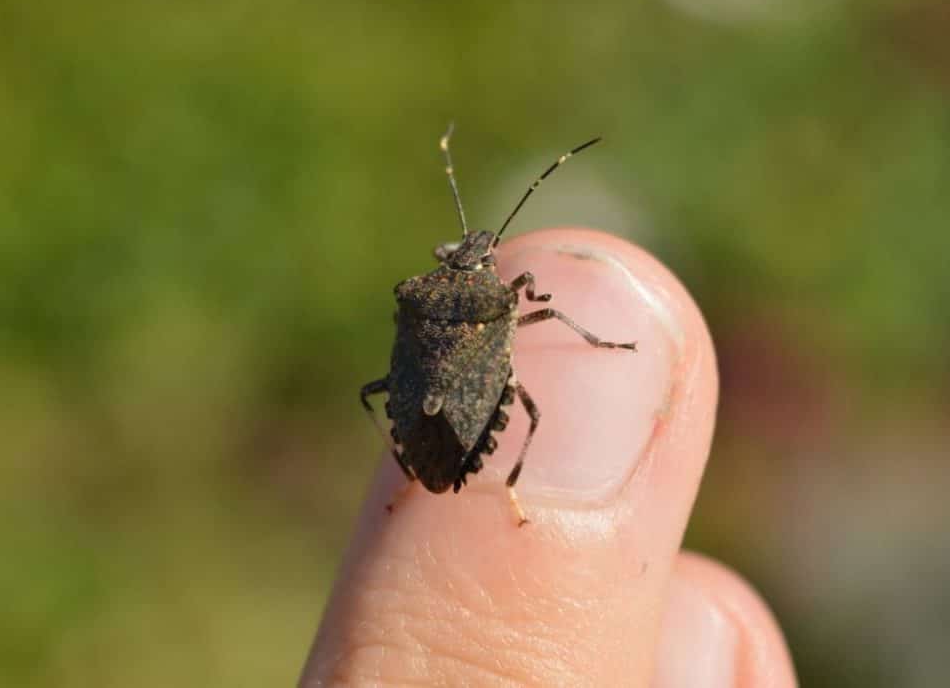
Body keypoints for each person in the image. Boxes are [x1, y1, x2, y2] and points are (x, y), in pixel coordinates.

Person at [301, 229, 796, 687]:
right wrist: (536, 298)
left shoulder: (417, 298)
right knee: (533, 411)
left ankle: (413, 474)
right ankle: (512, 485)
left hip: (414, 405)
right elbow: (540, 300)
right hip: (462, 410)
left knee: (370, 395)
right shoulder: (500, 299)